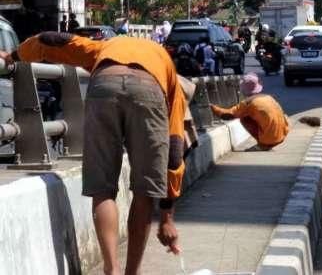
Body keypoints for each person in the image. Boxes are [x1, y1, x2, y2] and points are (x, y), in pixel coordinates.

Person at [0, 32, 191, 275]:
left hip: (104, 84)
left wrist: (14, 55)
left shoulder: (103, 46)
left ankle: (111, 269)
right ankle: (132, 272)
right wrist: (166, 218)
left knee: (102, 189)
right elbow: (175, 147)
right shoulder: (166, 66)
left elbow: (51, 40)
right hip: (149, 87)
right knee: (144, 192)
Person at [211, 73, 289, 150]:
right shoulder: (268, 97)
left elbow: (227, 115)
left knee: (244, 118)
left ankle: (263, 144)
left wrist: (212, 107)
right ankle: (266, 142)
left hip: (270, 138)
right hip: (283, 134)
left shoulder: (248, 102)